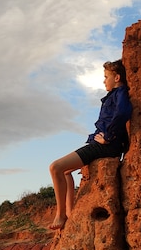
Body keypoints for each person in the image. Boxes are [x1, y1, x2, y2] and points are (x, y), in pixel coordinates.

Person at [48, 59, 132, 230]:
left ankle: (61, 214)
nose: (104, 81)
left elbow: (123, 112)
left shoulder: (120, 93)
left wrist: (108, 136)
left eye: (106, 77)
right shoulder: (114, 95)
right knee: (65, 171)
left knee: (55, 167)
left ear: (116, 78)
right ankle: (70, 213)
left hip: (106, 146)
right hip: (101, 143)